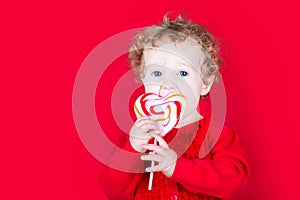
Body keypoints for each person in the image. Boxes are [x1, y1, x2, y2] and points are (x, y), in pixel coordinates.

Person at [101, 14, 249, 200]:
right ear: (142, 78)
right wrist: (132, 148)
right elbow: (113, 191)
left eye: (182, 72)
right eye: (157, 72)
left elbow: (233, 181)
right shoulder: (140, 135)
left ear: (205, 83)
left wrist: (177, 167)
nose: (168, 82)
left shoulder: (217, 134)